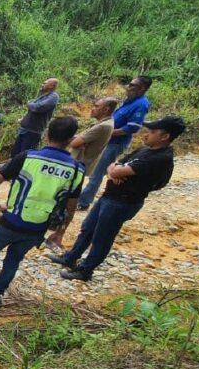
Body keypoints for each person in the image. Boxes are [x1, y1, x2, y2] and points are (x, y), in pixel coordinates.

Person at [0, 116, 84, 312]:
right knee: (14, 260)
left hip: (11, 220)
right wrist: (61, 231)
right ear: (72, 139)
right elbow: (71, 207)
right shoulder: (76, 169)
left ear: (47, 134)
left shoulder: (29, 157)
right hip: (38, 227)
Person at [50, 116, 184, 281]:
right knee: (88, 228)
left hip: (123, 202)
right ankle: (71, 258)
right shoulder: (145, 150)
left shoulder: (160, 158)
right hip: (110, 196)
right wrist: (117, 169)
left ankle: (86, 270)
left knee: (102, 237)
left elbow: (115, 171)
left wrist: (116, 171)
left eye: (152, 132)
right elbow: (114, 164)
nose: (146, 134)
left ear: (165, 137)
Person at [45, 96, 117, 250]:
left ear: (106, 109)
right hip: (78, 165)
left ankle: (58, 235)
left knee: (67, 203)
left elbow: (74, 142)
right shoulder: (105, 124)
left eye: (96, 106)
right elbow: (78, 140)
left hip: (76, 167)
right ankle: (56, 232)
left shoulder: (102, 126)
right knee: (64, 201)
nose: (93, 108)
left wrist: (77, 140)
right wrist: (79, 140)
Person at [77, 76, 152, 210]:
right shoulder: (130, 101)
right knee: (94, 169)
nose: (128, 87)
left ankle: (83, 202)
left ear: (142, 88)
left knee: (97, 172)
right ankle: (82, 199)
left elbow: (133, 127)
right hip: (108, 141)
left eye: (132, 85)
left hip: (116, 143)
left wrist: (107, 132)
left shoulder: (141, 104)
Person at [10, 78, 59, 156]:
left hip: (33, 131)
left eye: (44, 83)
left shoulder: (53, 96)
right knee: (15, 153)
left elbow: (38, 107)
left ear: (51, 86)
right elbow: (33, 109)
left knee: (24, 156)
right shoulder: (43, 95)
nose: (42, 85)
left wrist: (29, 104)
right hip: (25, 129)